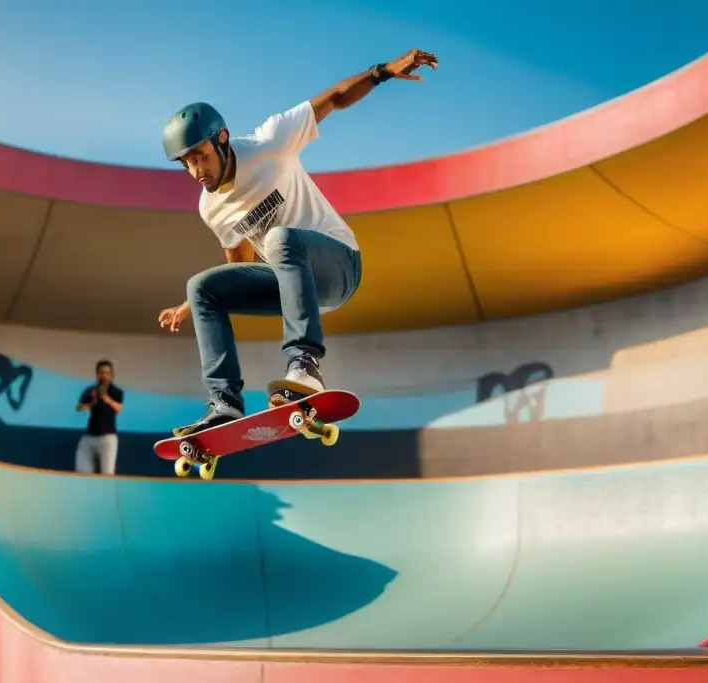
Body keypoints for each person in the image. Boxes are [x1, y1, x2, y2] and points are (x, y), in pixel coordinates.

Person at [157, 49, 438, 437]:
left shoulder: (270, 141)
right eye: (187, 163)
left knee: (278, 238)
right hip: (291, 283)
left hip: (338, 264)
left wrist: (383, 71)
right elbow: (236, 261)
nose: (197, 172)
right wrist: (193, 303)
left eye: (201, 157)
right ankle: (224, 403)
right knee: (202, 286)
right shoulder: (212, 208)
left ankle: (304, 364)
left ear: (221, 139)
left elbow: (334, 99)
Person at [75, 360, 124, 475]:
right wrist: (92, 402)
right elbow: (79, 408)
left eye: (107, 373)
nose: (104, 376)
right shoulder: (90, 391)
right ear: (97, 374)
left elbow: (118, 409)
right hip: (90, 435)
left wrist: (106, 399)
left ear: (111, 375)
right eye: (102, 373)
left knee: (107, 472)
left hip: (108, 437)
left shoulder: (116, 391)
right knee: (82, 469)